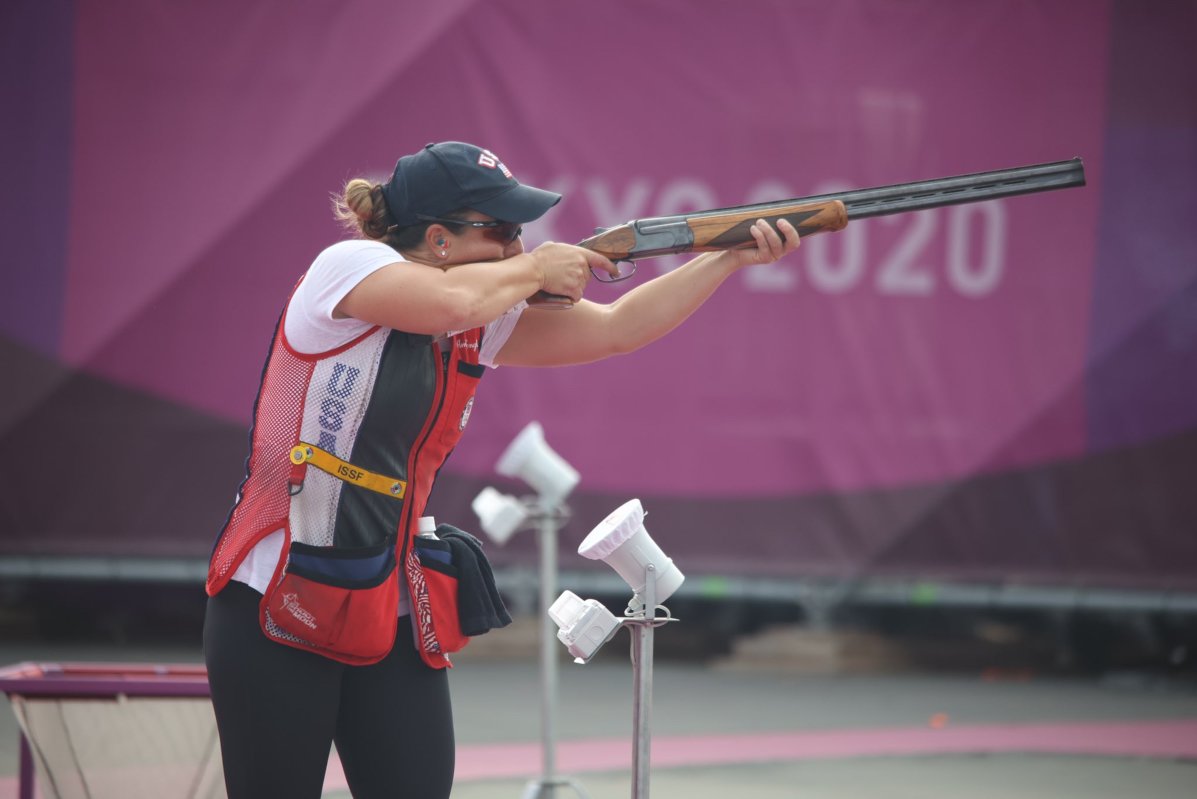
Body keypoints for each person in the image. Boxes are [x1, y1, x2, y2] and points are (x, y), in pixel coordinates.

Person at [202, 141, 801, 798]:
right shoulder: (347, 267)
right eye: (501, 231)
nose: (519, 247)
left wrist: (727, 257)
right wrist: (539, 268)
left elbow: (618, 328)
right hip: (274, 599)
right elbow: (449, 304)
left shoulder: (478, 313)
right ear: (437, 239)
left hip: (389, 603)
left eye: (523, 233)